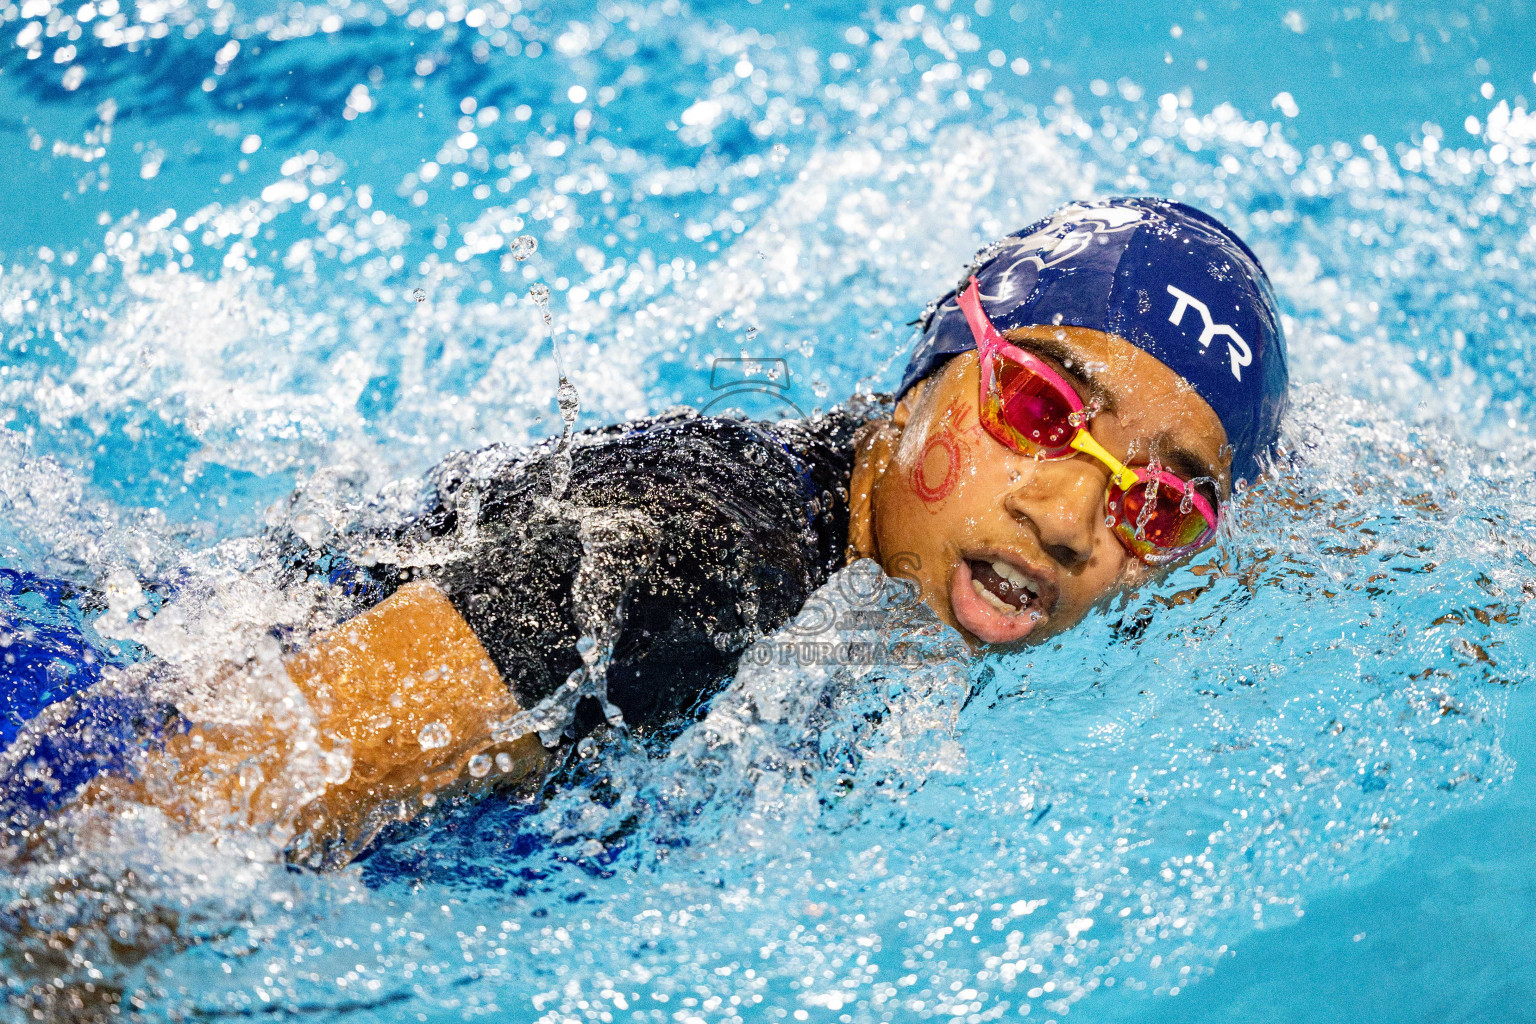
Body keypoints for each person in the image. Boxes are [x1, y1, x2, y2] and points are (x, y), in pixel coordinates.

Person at [0, 196, 1288, 868]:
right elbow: (160, 803)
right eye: (1043, 403)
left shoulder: (862, 534)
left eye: (1157, 504)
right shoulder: (690, 565)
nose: (1069, 519)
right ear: (932, 369)